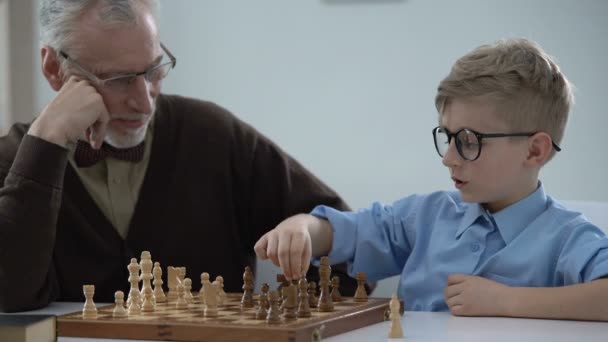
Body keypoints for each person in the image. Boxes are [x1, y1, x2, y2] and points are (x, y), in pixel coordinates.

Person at [0, 0, 364, 312]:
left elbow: (354, 249)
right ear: (53, 68)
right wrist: (45, 142)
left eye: (154, 70)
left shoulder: (213, 135)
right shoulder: (11, 161)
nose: (144, 102)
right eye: (117, 80)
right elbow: (9, 297)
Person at [255, 38, 608, 321]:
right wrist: (302, 228)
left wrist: (507, 300)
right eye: (448, 136)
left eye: (469, 141)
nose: (448, 158)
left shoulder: (567, 237)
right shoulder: (426, 216)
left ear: (534, 151)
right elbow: (348, 232)